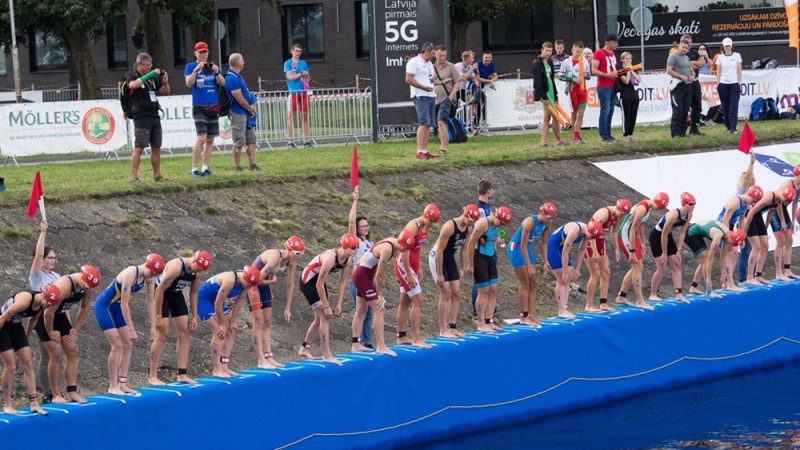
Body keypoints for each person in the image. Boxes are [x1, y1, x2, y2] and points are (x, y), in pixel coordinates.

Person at [94, 254, 164, 395]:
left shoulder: (150, 277)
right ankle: (112, 386)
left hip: (117, 306)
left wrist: (153, 324)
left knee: (128, 345)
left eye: (156, 274)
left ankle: (122, 384)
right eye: (152, 272)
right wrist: (131, 329)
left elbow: (151, 301)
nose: (153, 275)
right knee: (117, 345)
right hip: (105, 306)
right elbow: (125, 304)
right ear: (146, 265)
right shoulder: (130, 273)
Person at [38, 265, 101, 403]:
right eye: (86, 284)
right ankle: (55, 395)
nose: (87, 288)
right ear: (81, 277)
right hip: (44, 317)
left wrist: (76, 328)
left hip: (60, 317)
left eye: (90, 286)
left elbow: (84, 307)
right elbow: (48, 312)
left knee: (74, 350)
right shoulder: (64, 285)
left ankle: (72, 392)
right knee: (56, 353)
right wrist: (50, 331)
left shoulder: (87, 287)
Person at [149, 250, 212, 385]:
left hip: (176, 294)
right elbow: (159, 290)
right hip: (162, 294)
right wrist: (158, 316)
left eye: (202, 269)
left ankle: (182, 374)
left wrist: (194, 316)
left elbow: (194, 292)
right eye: (198, 267)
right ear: (194, 260)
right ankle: (152, 376)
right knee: (163, 334)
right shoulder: (176, 267)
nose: (198, 270)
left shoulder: (198, 271)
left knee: (185, 332)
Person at [298, 233, 359, 365]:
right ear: (345, 247)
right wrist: (326, 306)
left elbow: (342, 282)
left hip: (318, 281)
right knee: (325, 316)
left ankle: (304, 348)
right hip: (308, 282)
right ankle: (326, 355)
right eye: (353, 248)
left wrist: (339, 303)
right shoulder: (330, 259)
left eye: (357, 247)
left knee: (320, 318)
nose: (356, 250)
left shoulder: (348, 259)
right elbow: (318, 284)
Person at [351, 231, 415, 355]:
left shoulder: (393, 241)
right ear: (401, 243)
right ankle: (381, 346)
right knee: (379, 309)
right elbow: (380, 275)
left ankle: (355, 344)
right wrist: (379, 294)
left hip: (362, 274)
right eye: (405, 248)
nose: (405, 251)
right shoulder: (387, 249)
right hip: (362, 275)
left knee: (361, 310)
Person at [0, 285, 60, 415]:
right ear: (43, 296)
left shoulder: (43, 303)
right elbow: (3, 318)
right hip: (3, 325)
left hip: (16, 326)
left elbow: (34, 319)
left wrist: (25, 337)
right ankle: (7, 405)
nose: (49, 306)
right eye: (49, 303)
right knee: (10, 366)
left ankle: (34, 403)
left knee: (28, 363)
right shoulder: (25, 300)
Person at [249, 236, 304, 368]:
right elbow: (255, 280)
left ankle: (269, 357)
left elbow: (290, 285)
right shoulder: (275, 257)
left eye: (302, 254)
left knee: (268, 322)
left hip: (264, 285)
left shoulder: (292, 260)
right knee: (259, 322)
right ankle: (261, 360)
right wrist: (271, 282)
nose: (300, 256)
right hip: (253, 285)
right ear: (289, 250)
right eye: (297, 253)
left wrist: (288, 307)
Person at [197, 266, 261, 378]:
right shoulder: (229, 280)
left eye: (251, 285)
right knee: (219, 332)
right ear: (244, 278)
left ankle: (224, 366)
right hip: (204, 299)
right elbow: (217, 304)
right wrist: (222, 324)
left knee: (232, 331)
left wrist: (232, 321)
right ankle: (216, 369)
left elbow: (240, 300)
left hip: (217, 300)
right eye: (248, 284)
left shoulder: (248, 282)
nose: (248, 286)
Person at [429, 204, 479, 337]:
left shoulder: (468, 228)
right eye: (471, 220)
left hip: (450, 258)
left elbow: (463, 249)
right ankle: (443, 329)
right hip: (437, 257)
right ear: (465, 215)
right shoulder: (449, 227)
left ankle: (452, 327)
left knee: (456, 293)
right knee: (445, 293)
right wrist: (440, 274)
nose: (472, 223)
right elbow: (439, 251)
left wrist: (462, 269)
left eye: (474, 222)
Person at [395, 204, 440, 347]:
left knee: (405, 301)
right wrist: (408, 273)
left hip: (412, 264)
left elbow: (418, 248)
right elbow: (404, 251)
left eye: (435, 222)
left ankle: (401, 336)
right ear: (425, 216)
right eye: (431, 221)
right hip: (404, 263)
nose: (432, 225)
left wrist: (419, 267)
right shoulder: (412, 226)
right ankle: (416, 339)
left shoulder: (425, 226)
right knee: (418, 300)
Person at [615, 192, 670, 309]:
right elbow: (632, 228)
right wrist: (632, 251)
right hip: (626, 234)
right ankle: (639, 300)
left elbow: (641, 225)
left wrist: (643, 242)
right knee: (637, 266)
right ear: (655, 201)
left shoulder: (648, 207)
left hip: (631, 234)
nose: (658, 210)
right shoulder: (642, 208)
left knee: (638, 266)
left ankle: (621, 295)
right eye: (659, 207)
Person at [507, 203, 555, 325]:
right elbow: (522, 246)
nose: (551, 220)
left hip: (526, 248)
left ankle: (531, 314)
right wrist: (529, 266)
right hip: (516, 248)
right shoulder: (530, 222)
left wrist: (545, 262)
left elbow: (544, 243)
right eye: (549, 217)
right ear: (542, 213)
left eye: (553, 218)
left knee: (534, 281)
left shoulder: (547, 224)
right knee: (525, 282)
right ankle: (523, 316)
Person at [466, 206, 513, 332]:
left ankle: (489, 321)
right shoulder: (482, 224)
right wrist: (470, 264)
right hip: (479, 258)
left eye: (504, 224)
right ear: (496, 217)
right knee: (483, 291)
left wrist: (498, 241)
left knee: (493, 290)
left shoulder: (496, 226)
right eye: (501, 223)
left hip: (490, 258)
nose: (502, 226)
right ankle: (480, 323)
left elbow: (490, 239)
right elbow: (471, 244)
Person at [126, 52, 171, 182]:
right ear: (139, 64)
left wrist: (165, 82)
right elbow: (132, 85)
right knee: (139, 146)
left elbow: (165, 92)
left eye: (150, 65)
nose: (149, 68)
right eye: (147, 65)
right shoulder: (131, 76)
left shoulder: (152, 79)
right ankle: (134, 177)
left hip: (154, 115)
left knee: (156, 146)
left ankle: (157, 175)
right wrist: (150, 75)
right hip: (141, 115)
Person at [29, 219, 59, 403]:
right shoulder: (36, 275)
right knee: (46, 355)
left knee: (58, 355)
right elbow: (38, 255)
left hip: (57, 318)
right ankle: (48, 392)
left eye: (55, 258)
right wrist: (43, 231)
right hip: (41, 317)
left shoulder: (57, 276)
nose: (53, 260)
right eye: (51, 257)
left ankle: (57, 390)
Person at [547, 220, 603, 318]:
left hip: (562, 248)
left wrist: (577, 269)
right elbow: (565, 252)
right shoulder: (574, 230)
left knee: (569, 278)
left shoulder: (588, 233)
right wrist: (564, 271)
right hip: (553, 247)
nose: (590, 238)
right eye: (591, 236)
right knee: (562, 279)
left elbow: (582, 250)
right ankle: (561, 310)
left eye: (593, 238)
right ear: (588, 230)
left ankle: (565, 307)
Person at [185, 41, 225, 177]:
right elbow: (188, 83)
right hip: (199, 106)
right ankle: (194, 169)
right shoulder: (190, 66)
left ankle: (205, 168)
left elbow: (222, 82)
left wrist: (217, 72)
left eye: (205, 52)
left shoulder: (213, 66)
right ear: (195, 53)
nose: (203, 54)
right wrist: (196, 71)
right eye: (200, 52)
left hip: (213, 105)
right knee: (201, 138)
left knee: (210, 139)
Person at [584, 199, 630, 312]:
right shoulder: (604, 214)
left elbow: (614, 232)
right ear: (617, 208)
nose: (622, 216)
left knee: (606, 272)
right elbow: (593, 230)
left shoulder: (617, 216)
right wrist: (594, 251)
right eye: (622, 213)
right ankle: (589, 305)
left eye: (624, 214)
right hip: (591, 242)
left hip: (601, 243)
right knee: (595, 273)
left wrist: (616, 249)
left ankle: (603, 303)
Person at [649, 193, 695, 303]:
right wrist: (664, 254)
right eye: (691, 204)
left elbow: (682, 232)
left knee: (677, 263)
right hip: (657, 236)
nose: (693, 206)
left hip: (667, 236)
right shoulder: (673, 215)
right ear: (684, 204)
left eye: (694, 204)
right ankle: (652, 294)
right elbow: (663, 235)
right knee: (662, 267)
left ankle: (679, 294)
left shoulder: (689, 215)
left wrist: (679, 250)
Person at [685, 221, 746, 298]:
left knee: (704, 261)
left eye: (734, 245)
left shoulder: (728, 235)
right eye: (732, 243)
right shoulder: (718, 236)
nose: (731, 246)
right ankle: (709, 290)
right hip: (691, 233)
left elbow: (723, 257)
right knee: (706, 259)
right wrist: (709, 279)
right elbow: (710, 258)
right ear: (731, 238)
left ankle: (693, 287)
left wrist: (723, 274)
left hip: (698, 233)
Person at [717, 184, 762, 289]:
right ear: (749, 194)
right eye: (754, 200)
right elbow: (725, 220)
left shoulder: (745, 204)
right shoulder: (735, 202)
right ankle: (729, 284)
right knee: (728, 254)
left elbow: (741, 219)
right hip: (722, 228)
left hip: (732, 228)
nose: (754, 202)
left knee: (735, 254)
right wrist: (728, 238)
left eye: (756, 201)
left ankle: (728, 281)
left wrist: (742, 237)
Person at [346, 188, 374, 350]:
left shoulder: (370, 243)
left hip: (370, 280)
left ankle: (367, 342)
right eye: (362, 226)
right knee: (361, 311)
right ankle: (359, 341)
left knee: (369, 313)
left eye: (367, 225)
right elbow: (350, 223)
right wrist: (355, 201)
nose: (366, 228)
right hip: (358, 280)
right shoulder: (355, 240)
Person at [225, 53, 260, 172]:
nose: (244, 62)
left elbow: (247, 94)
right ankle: (237, 166)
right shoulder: (231, 78)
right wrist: (249, 109)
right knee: (238, 140)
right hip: (238, 112)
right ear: (237, 63)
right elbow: (239, 98)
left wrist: (252, 106)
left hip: (246, 112)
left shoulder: (238, 76)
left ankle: (253, 164)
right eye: (242, 60)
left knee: (251, 138)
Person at [405, 41, 438, 160]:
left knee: (428, 124)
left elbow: (430, 80)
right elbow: (408, 79)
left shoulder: (429, 64)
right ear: (427, 50)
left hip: (430, 95)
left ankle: (424, 150)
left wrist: (441, 82)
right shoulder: (414, 62)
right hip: (421, 95)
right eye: (433, 53)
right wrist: (423, 88)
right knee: (423, 123)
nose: (434, 56)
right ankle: (419, 151)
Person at [533, 42, 569, 148]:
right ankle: (558, 140)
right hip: (545, 94)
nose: (548, 53)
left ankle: (544, 142)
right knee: (556, 116)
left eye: (550, 51)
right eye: (546, 50)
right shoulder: (538, 63)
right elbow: (537, 82)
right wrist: (543, 97)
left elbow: (552, 81)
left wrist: (556, 96)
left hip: (551, 93)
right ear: (542, 50)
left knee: (547, 117)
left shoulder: (549, 62)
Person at [560, 41, 589, 144]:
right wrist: (573, 78)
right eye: (577, 51)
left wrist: (586, 75)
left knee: (581, 113)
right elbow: (561, 76)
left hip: (583, 89)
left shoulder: (585, 61)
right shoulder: (566, 62)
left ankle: (577, 136)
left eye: (581, 52)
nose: (579, 54)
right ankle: (574, 136)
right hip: (572, 90)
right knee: (574, 113)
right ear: (572, 50)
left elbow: (589, 75)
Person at [433, 44, 460, 156]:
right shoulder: (431, 67)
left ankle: (444, 148)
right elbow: (430, 80)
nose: (442, 58)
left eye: (444, 56)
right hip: (434, 99)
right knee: (438, 124)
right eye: (440, 56)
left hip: (446, 98)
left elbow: (457, 81)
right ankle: (443, 145)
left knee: (441, 122)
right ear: (435, 54)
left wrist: (451, 96)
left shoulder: (451, 67)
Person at [285, 43, 313, 149]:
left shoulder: (303, 63)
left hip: (304, 92)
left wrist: (306, 74)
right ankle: (290, 142)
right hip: (293, 92)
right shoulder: (288, 63)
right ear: (292, 51)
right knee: (291, 116)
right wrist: (301, 74)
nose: (298, 53)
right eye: (296, 51)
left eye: (300, 51)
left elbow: (309, 77)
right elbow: (290, 77)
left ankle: (306, 141)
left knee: (305, 116)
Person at [592, 34, 619, 143]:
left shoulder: (612, 53)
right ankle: (604, 135)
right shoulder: (599, 53)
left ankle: (608, 134)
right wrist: (606, 75)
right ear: (608, 42)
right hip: (603, 86)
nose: (616, 44)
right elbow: (593, 70)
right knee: (605, 110)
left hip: (612, 85)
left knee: (611, 110)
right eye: (614, 42)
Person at [683, 34, 710, 136]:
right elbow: (683, 65)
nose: (689, 45)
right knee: (685, 107)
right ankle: (683, 130)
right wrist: (694, 64)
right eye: (687, 42)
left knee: (697, 106)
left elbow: (703, 63)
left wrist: (690, 63)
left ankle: (694, 129)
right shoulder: (681, 54)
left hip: (696, 82)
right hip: (686, 82)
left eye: (690, 43)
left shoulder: (695, 53)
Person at [736, 154, 757, 282]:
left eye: (755, 179)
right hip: (742, 225)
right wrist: (752, 163)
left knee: (753, 250)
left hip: (751, 224)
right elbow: (746, 178)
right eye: (752, 179)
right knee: (745, 252)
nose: (754, 181)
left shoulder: (754, 193)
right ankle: (743, 279)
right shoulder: (742, 191)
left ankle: (752, 276)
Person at [666, 40, 694, 139]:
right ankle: (675, 133)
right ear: (679, 46)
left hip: (687, 85)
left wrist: (692, 76)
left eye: (686, 48)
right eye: (683, 47)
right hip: (677, 85)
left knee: (686, 109)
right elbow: (669, 70)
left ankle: (683, 132)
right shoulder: (673, 56)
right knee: (678, 109)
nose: (684, 49)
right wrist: (681, 76)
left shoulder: (686, 58)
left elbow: (691, 70)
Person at [715, 37, 743, 134]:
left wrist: (739, 81)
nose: (727, 47)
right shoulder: (720, 57)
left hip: (734, 84)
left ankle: (733, 127)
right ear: (723, 46)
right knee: (725, 107)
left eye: (729, 46)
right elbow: (718, 71)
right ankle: (728, 126)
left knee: (733, 107)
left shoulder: (737, 56)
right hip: (723, 85)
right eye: (726, 46)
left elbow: (739, 69)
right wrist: (718, 83)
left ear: (731, 46)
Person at [618, 52, 641, 142]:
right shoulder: (620, 71)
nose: (628, 60)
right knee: (626, 115)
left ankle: (631, 134)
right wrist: (627, 71)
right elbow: (626, 81)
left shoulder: (634, 70)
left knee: (633, 115)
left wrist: (631, 70)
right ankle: (626, 135)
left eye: (630, 59)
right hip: (625, 96)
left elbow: (639, 79)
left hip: (634, 95)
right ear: (622, 60)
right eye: (626, 59)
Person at [473, 50, 498, 133]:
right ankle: (474, 125)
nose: (488, 59)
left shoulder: (492, 64)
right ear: (482, 58)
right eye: (486, 57)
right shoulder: (477, 64)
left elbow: (496, 77)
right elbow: (478, 78)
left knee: (485, 105)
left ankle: (483, 123)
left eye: (489, 57)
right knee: (477, 106)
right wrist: (489, 81)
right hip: (475, 87)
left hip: (484, 88)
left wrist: (491, 81)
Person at [454, 50, 479, 127]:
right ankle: (464, 122)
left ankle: (470, 122)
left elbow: (474, 78)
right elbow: (463, 78)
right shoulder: (458, 66)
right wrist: (472, 69)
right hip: (456, 90)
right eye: (472, 58)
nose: (473, 60)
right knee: (470, 100)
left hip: (464, 90)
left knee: (475, 100)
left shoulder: (469, 67)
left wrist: (477, 83)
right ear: (467, 59)